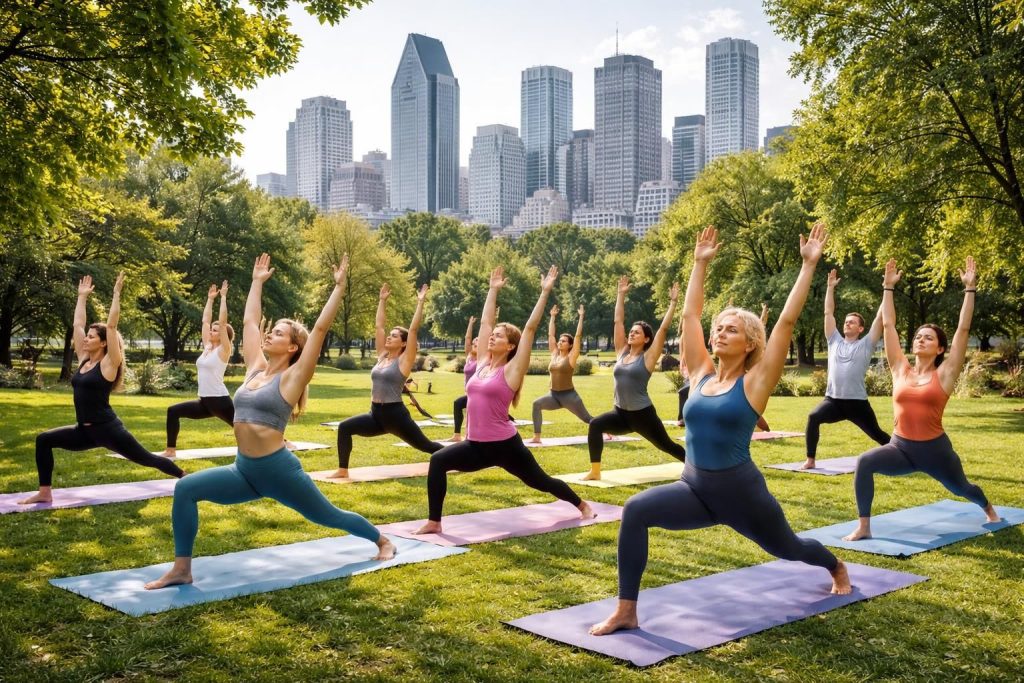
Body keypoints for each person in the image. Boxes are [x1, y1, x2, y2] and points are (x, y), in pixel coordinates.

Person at [589, 223, 851, 636]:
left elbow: (785, 322)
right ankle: (626, 609)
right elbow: (692, 315)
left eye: (731, 329)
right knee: (636, 510)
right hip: (693, 489)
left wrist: (808, 267)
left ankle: (835, 565)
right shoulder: (700, 377)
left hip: (742, 495)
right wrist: (699, 264)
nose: (720, 332)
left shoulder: (755, 382)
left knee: (790, 548)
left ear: (749, 343)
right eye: (719, 328)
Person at [144, 254, 394, 590]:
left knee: (328, 516)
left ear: (292, 347)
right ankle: (181, 568)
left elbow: (319, 330)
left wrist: (338, 288)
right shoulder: (255, 369)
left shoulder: (293, 378)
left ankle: (381, 540)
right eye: (271, 330)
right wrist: (256, 282)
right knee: (186, 488)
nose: (269, 334)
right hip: (244, 470)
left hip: (278, 471)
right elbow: (249, 322)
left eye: (277, 333)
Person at [413, 267, 595, 534]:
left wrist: (545, 292)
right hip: (475, 445)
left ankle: (581, 505)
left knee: (540, 481)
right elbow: (486, 323)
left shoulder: (511, 370)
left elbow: (530, 329)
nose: (492, 337)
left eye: (499, 336)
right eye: (493, 335)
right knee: (438, 461)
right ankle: (434, 522)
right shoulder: (482, 364)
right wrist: (493, 289)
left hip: (505, 446)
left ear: (511, 346)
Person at [842, 258, 999, 541]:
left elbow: (963, 330)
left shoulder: (946, 373)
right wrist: (887, 288)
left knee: (962, 488)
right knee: (865, 462)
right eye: (917, 336)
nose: (920, 340)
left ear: (940, 348)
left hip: (936, 452)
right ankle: (864, 526)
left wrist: (970, 290)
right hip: (900, 448)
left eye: (928, 338)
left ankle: (987, 506)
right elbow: (889, 326)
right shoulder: (900, 368)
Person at [20, 274, 185, 505]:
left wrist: (116, 294)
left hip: (108, 430)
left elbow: (112, 325)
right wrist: (82, 298)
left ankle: (185, 477)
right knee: (44, 440)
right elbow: (77, 324)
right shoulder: (84, 360)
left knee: (147, 459)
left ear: (104, 342)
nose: (85, 339)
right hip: (84, 431)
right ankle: (45, 492)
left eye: (91, 337)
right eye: (86, 337)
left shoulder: (109, 365)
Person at [325, 283, 443, 479]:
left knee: (427, 446)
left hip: (396, 416)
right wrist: (381, 301)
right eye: (390, 335)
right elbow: (379, 326)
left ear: (404, 343)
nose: (389, 337)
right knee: (345, 427)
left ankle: (458, 459)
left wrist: (420, 302)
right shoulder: (382, 356)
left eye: (394, 336)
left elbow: (413, 331)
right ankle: (343, 470)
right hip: (375, 415)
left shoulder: (404, 361)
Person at [584, 276, 687, 480]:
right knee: (595, 424)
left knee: (667, 445)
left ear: (646, 339)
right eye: (631, 332)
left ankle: (698, 467)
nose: (631, 334)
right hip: (620, 413)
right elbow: (618, 321)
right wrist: (620, 295)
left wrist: (673, 303)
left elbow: (663, 330)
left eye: (637, 332)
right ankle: (595, 471)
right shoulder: (622, 352)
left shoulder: (648, 358)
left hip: (643, 416)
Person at [801, 268, 889, 469]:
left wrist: (887, 288)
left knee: (877, 434)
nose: (847, 324)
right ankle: (810, 460)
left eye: (852, 322)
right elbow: (828, 312)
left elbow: (880, 317)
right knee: (814, 417)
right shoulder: (834, 341)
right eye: (846, 321)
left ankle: (902, 455)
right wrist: (830, 288)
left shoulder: (866, 344)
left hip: (857, 403)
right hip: (833, 401)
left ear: (860, 329)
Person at [162, 282, 235, 457]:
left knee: (246, 428)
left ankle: (279, 442)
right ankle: (170, 450)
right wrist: (210, 300)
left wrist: (223, 297)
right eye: (212, 329)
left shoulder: (224, 350)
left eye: (216, 330)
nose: (211, 331)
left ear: (224, 334)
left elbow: (223, 322)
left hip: (220, 401)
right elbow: (205, 321)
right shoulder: (207, 347)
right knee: (173, 411)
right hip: (205, 402)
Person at [528, 304, 594, 443]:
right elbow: (551, 335)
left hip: (569, 396)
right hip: (553, 395)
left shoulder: (571, 357)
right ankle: (537, 437)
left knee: (587, 419)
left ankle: (606, 429)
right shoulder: (554, 354)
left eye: (563, 341)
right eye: (560, 340)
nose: (560, 342)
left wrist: (581, 317)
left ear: (570, 345)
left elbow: (577, 336)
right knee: (536, 404)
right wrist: (552, 317)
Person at [448, 316, 478, 442]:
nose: (475, 344)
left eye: (478, 343)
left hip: (478, 393)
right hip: (469, 393)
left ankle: (466, 436)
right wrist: (470, 324)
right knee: (461, 406)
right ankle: (457, 435)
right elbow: (467, 339)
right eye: (474, 343)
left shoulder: (484, 359)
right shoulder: (469, 357)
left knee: (459, 405)